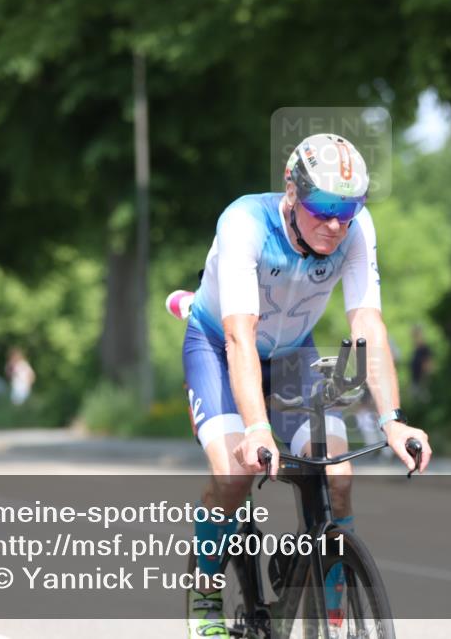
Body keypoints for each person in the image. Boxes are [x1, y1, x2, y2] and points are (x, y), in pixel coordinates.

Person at [169, 133, 432, 637]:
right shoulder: (244, 223)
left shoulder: (354, 231)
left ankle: (332, 611)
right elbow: (239, 336)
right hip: (221, 347)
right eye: (323, 207)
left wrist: (392, 421)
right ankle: (204, 591)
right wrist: (257, 428)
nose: (335, 224)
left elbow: (368, 327)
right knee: (234, 474)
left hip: (292, 353)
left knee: (338, 474)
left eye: (348, 209)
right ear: (292, 191)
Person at [409, 324, 433, 401]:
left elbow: (427, 365)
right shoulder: (416, 349)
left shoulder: (423, 348)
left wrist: (424, 380)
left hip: (422, 381)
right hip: (416, 380)